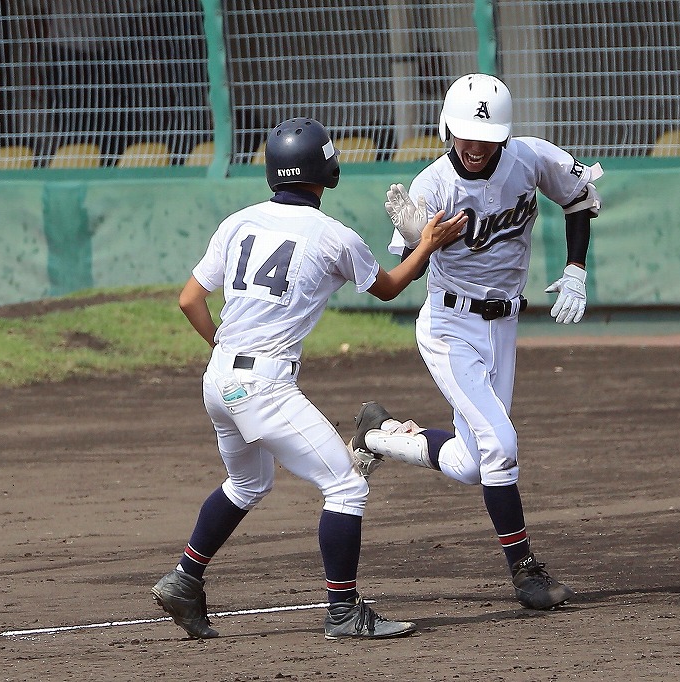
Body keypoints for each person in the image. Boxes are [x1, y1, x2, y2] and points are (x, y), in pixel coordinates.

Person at [150, 117, 467, 640]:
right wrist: (426, 245)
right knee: (344, 485)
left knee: (248, 483)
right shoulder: (333, 236)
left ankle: (185, 579)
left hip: (220, 379)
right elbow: (387, 288)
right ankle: (343, 611)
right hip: (264, 388)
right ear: (324, 168)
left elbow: (189, 300)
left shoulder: (238, 221)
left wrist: (228, 353)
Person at [349, 73, 604, 611]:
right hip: (448, 328)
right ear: (446, 127)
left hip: (502, 328)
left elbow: (580, 197)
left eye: (483, 137)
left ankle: (377, 437)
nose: (471, 145)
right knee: (502, 446)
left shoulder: (530, 159)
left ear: (504, 136)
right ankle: (526, 574)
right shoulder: (432, 185)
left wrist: (576, 268)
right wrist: (424, 241)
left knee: (472, 462)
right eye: (462, 133)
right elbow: (404, 278)